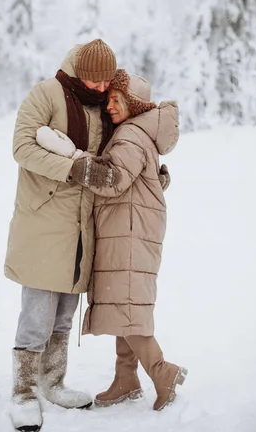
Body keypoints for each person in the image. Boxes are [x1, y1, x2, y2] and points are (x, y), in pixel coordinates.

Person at [36, 69, 187, 413]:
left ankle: (163, 373)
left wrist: (76, 163)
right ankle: (126, 378)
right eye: (109, 101)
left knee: (126, 306)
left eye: (118, 100)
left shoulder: (130, 135)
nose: (111, 106)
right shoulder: (135, 133)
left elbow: (113, 180)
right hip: (131, 228)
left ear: (133, 104)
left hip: (130, 233)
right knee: (126, 304)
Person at [4, 39, 117, 432]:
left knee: (65, 314)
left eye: (106, 82)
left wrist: (153, 177)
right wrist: (73, 170)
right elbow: (22, 147)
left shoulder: (104, 105)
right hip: (42, 218)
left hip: (82, 224)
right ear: (76, 69)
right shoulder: (47, 93)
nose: (100, 88)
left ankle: (53, 383)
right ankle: (22, 392)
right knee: (37, 314)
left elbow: (119, 155)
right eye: (93, 79)